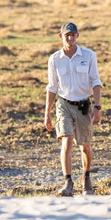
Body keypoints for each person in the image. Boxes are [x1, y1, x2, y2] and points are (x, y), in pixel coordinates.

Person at [45, 22, 103, 196]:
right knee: (67, 140)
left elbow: (96, 81)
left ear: (77, 36)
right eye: (67, 35)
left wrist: (97, 107)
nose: (70, 38)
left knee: (85, 146)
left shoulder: (89, 55)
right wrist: (47, 113)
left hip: (84, 105)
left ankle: (86, 178)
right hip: (64, 104)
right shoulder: (54, 59)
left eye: (73, 35)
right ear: (61, 37)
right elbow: (52, 87)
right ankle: (68, 182)